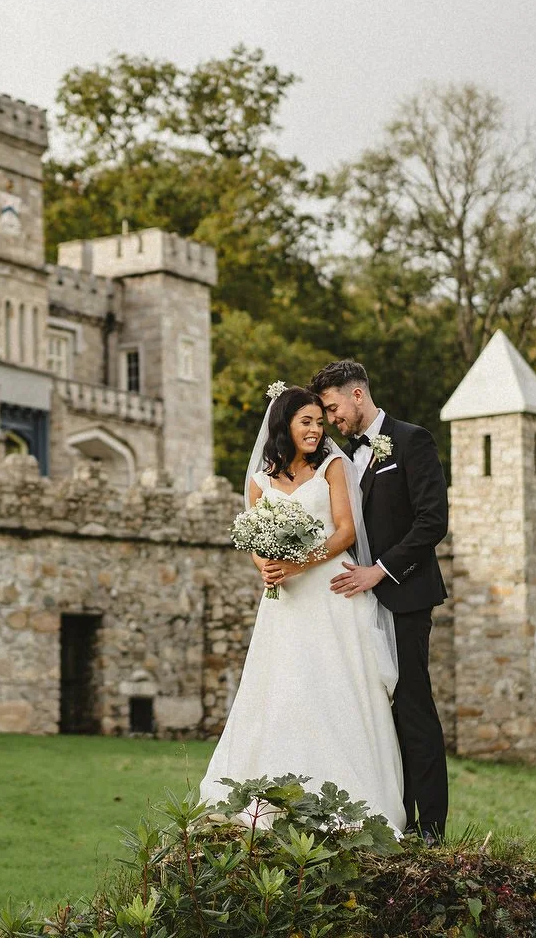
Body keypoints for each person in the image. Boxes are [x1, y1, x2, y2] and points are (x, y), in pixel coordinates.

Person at [199, 385, 406, 832]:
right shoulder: (259, 480)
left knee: (333, 687)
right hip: (286, 605)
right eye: (306, 422)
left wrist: (299, 562)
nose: (316, 430)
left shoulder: (333, 466)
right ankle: (271, 799)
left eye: (319, 421)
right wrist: (266, 566)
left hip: (331, 593)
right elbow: (255, 537)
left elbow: (346, 531)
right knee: (282, 688)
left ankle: (350, 802)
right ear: (285, 426)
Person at [311, 360, 450, 842]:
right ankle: (398, 818)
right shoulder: (349, 457)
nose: (331, 420)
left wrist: (380, 571)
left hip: (406, 596)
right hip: (360, 606)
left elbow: (432, 522)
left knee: (413, 706)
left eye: (332, 409)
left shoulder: (413, 441)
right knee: (376, 711)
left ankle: (431, 827)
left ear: (357, 395)